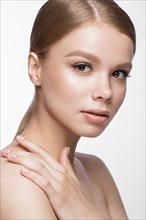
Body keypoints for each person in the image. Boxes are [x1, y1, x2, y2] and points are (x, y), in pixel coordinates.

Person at [1, 0, 136, 219]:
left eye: (118, 73)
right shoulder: (18, 181)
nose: (106, 91)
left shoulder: (96, 172)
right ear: (35, 69)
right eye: (82, 67)